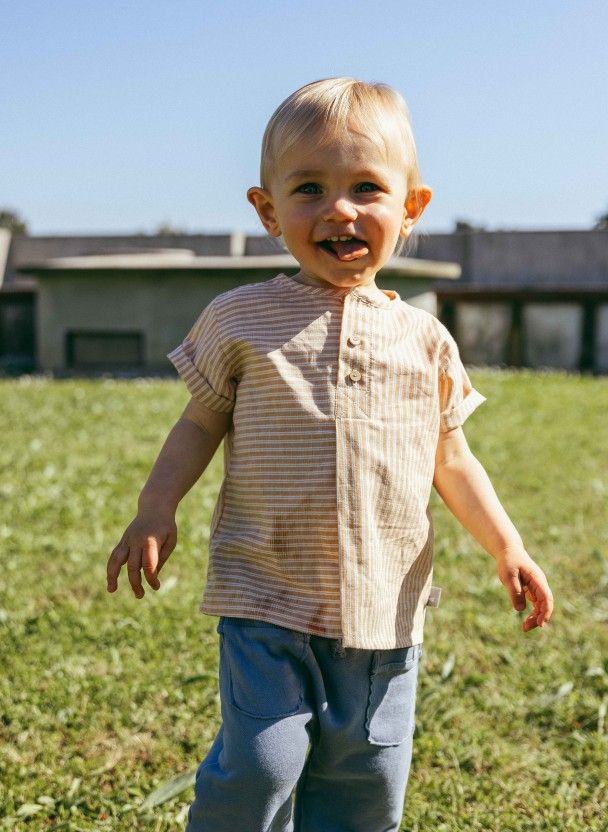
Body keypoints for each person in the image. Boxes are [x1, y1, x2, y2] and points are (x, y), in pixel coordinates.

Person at [106, 78, 554, 832]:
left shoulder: (425, 340)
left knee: (367, 785)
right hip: (266, 597)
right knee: (260, 766)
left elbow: (453, 458)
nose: (339, 209)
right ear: (268, 209)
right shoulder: (241, 318)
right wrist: (156, 507)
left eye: (367, 188)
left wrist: (506, 545)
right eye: (309, 187)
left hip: (386, 613)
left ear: (410, 210)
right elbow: (199, 421)